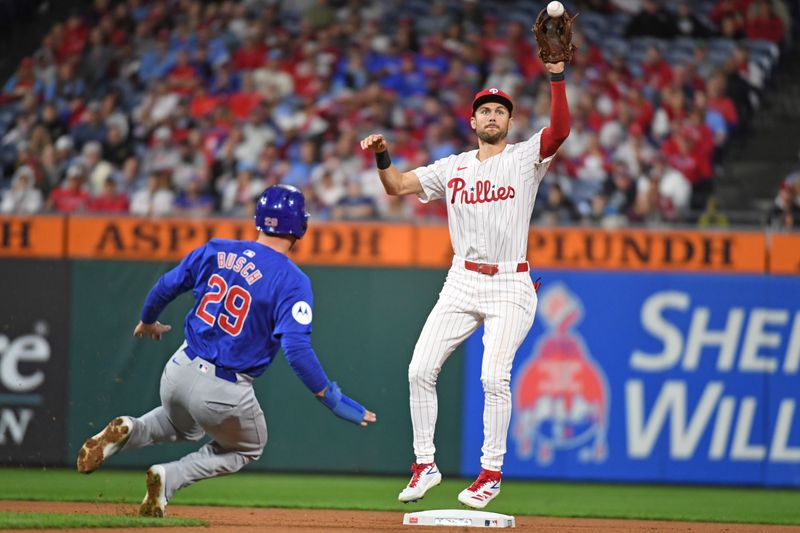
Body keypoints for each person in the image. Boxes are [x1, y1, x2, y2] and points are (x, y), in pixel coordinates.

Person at [75, 184, 377, 517]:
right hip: (224, 388)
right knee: (249, 448)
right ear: (299, 227)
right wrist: (331, 398)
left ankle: (130, 428)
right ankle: (169, 477)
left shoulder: (217, 249)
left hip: (179, 367)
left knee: (184, 427)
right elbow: (296, 349)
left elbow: (166, 285)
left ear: (259, 219)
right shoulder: (293, 280)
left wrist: (148, 321)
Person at [360, 57, 570, 508]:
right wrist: (382, 154)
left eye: (500, 110)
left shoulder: (524, 158)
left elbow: (559, 131)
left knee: (494, 375)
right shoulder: (452, 168)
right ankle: (425, 465)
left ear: (510, 122)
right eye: (485, 110)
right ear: (472, 120)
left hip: (511, 282)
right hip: (461, 280)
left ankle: (490, 473)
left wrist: (556, 78)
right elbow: (396, 186)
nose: (492, 115)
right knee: (419, 369)